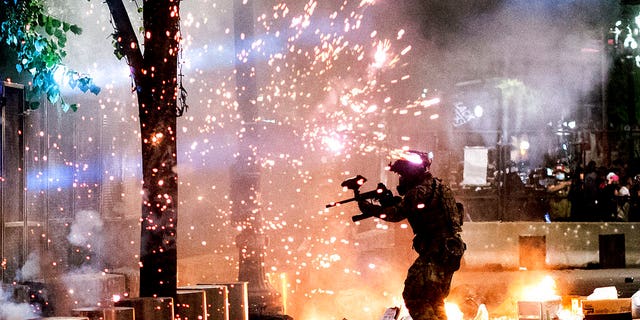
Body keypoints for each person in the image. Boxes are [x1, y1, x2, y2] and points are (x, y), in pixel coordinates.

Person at [357, 150, 465, 320]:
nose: (401, 178)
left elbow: (395, 214)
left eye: (402, 174)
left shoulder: (419, 192)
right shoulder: (439, 187)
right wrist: (389, 201)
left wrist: (369, 208)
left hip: (435, 253)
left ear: (412, 173)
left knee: (415, 297)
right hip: (450, 251)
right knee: (434, 299)